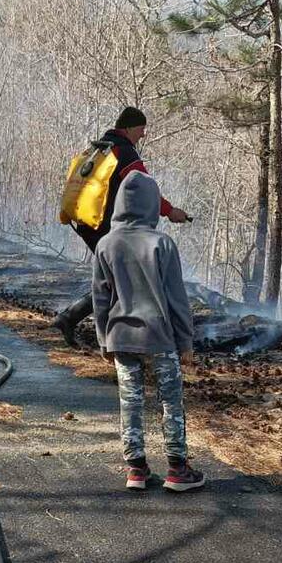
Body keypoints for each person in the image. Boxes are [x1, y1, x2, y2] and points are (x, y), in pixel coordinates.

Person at [92, 169, 205, 493]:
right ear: (151, 204)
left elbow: (101, 298)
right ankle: (177, 469)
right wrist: (185, 342)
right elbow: (177, 299)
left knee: (131, 400)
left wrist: (103, 340)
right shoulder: (162, 244)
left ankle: (137, 470)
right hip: (160, 337)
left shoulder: (106, 244)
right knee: (170, 400)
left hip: (121, 336)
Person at [53, 106, 190, 346]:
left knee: (114, 277)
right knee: (119, 278)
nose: (144, 134)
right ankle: (97, 329)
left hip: (86, 222)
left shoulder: (100, 149)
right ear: (128, 128)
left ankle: (77, 321)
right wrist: (170, 212)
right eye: (141, 129)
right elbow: (145, 189)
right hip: (103, 226)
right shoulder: (125, 153)